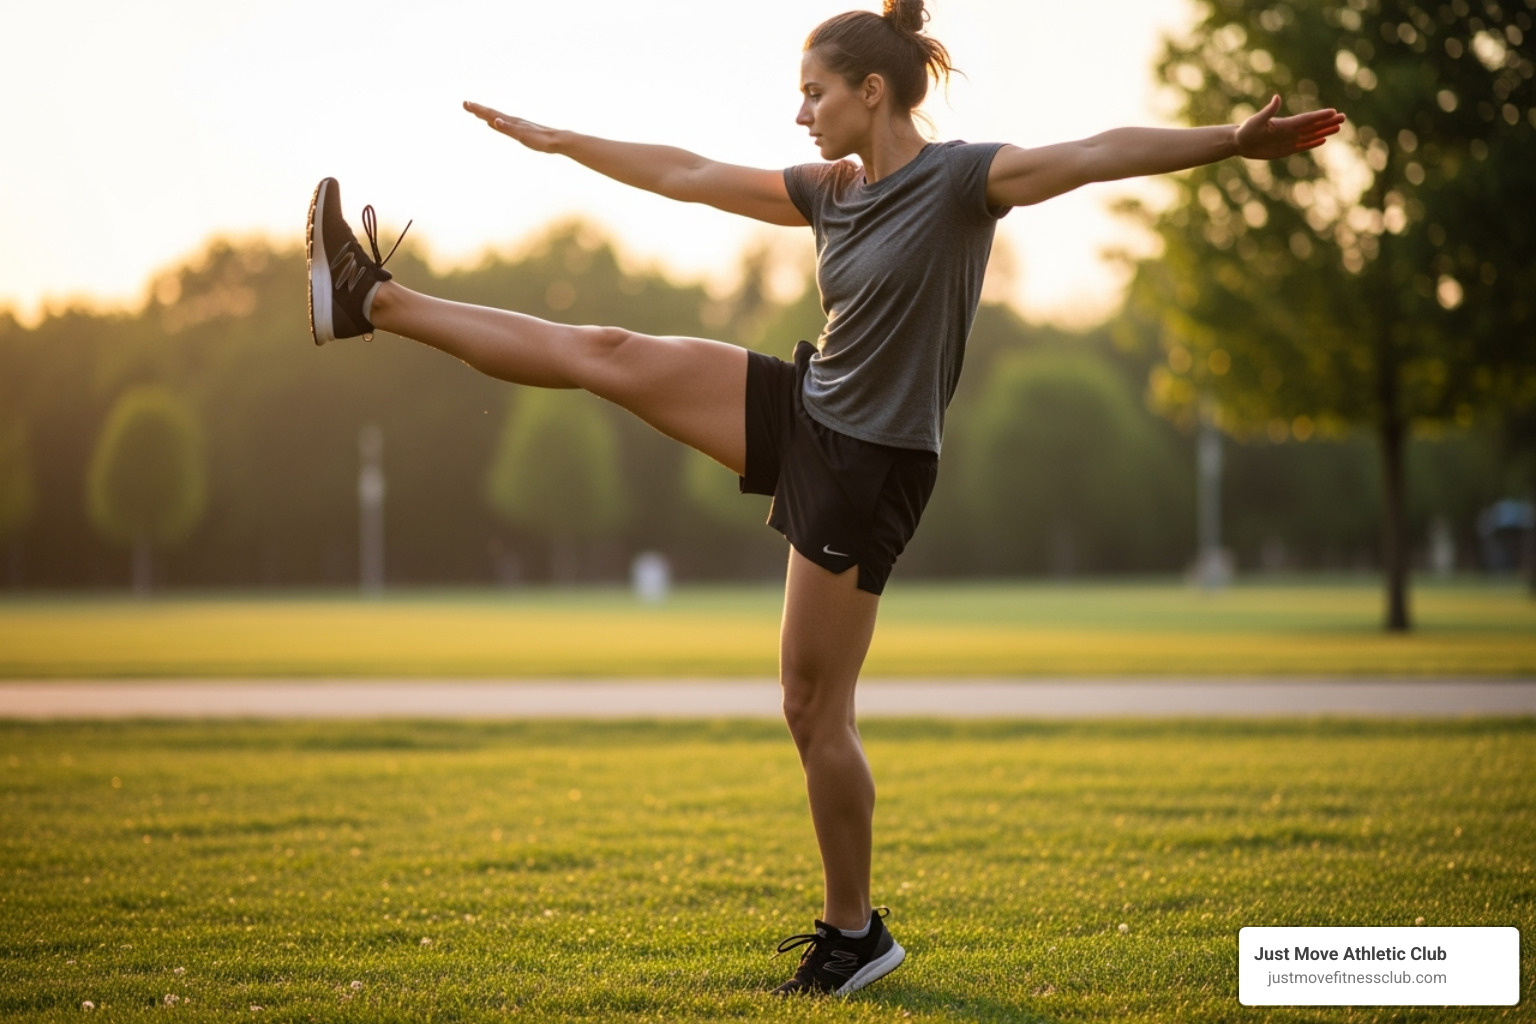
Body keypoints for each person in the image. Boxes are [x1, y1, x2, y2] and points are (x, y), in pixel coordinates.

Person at [306, 0, 1343, 997]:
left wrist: (1228, 141)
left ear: (871, 91)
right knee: (608, 352)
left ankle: (856, 934)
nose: (800, 111)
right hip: (810, 405)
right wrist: (564, 140)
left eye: (814, 92)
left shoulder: (960, 181)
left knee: (811, 707)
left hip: (872, 464)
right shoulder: (831, 191)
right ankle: (373, 300)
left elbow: (1094, 153)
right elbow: (688, 174)